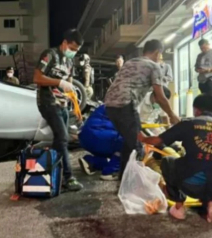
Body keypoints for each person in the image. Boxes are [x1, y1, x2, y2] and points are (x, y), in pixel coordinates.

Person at [104, 39, 180, 181]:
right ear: (158, 53)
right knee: (138, 145)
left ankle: (123, 181)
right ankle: (134, 185)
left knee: (129, 142)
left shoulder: (129, 63)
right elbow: (160, 95)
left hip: (109, 105)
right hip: (125, 104)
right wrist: (172, 115)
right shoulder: (154, 66)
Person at [140, 94, 212, 222]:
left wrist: (141, 138)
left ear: (196, 110)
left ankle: (179, 208)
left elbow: (157, 141)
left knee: (168, 161)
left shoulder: (188, 124)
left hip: (192, 185)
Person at [33, 28, 84, 191]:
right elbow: (37, 78)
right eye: (72, 48)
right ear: (64, 43)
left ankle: (48, 172)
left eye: (76, 51)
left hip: (62, 104)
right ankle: (68, 178)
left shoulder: (69, 62)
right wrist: (58, 82)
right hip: (48, 103)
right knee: (62, 138)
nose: (73, 53)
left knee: (59, 140)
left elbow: (69, 83)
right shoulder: (50, 54)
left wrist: (75, 103)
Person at [78, 105, 123, 181]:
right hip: (98, 137)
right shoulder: (123, 107)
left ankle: (91, 162)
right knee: (127, 141)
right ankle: (111, 172)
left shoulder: (108, 105)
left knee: (114, 157)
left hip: (85, 138)